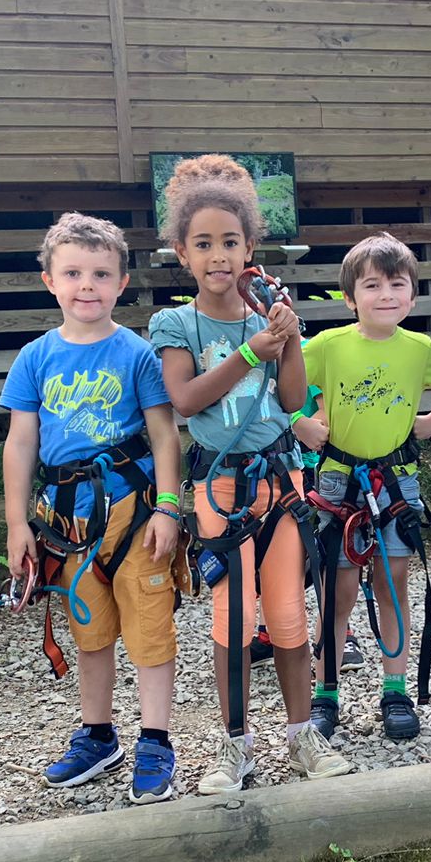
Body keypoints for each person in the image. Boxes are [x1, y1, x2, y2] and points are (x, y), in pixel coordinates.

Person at [148, 153, 351, 793]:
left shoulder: (270, 314)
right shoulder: (175, 323)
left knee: (288, 612)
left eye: (229, 242)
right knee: (232, 615)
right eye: (203, 243)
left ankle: (301, 737)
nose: (218, 256)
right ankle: (234, 746)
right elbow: (185, 399)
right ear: (181, 252)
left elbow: (293, 402)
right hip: (218, 486)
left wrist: (285, 338)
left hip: (282, 482)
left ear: (250, 248)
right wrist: (248, 351)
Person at [0, 213, 184, 804]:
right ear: (48, 280)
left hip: (134, 513)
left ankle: (155, 738)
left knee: (150, 626)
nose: (87, 285)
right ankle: (98, 734)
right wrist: (14, 524)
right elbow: (21, 442)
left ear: (122, 282)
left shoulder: (137, 354)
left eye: (101, 274)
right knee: (90, 630)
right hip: (65, 520)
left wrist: (170, 508)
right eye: (73, 272)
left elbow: (164, 437)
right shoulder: (34, 358)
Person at [297, 233, 431, 741]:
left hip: (396, 483)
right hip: (337, 480)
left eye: (397, 284)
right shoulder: (327, 346)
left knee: (393, 586)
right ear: (350, 297)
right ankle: (326, 691)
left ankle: (395, 689)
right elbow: (281, 384)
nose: (386, 295)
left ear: (412, 295)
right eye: (372, 285)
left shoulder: (420, 349)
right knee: (338, 590)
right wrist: (300, 423)